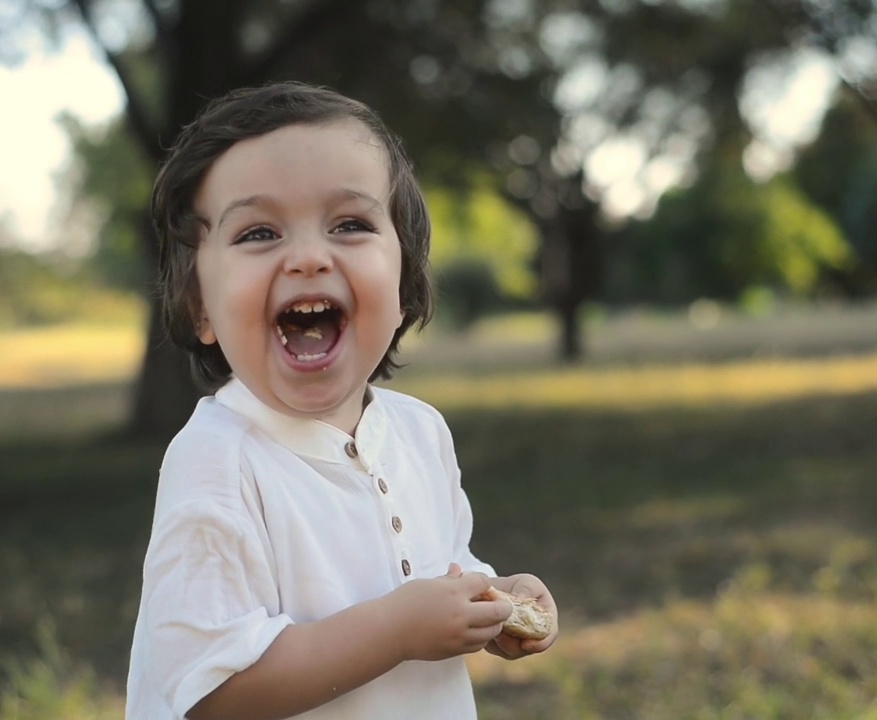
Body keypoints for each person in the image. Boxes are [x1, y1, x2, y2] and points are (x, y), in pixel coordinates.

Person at [125, 81, 558, 720]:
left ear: (405, 282)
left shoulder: (420, 433)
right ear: (200, 306)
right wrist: (396, 631)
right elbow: (210, 694)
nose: (306, 257)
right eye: (258, 233)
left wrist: (493, 600)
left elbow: (439, 578)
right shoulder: (219, 463)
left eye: (350, 224)